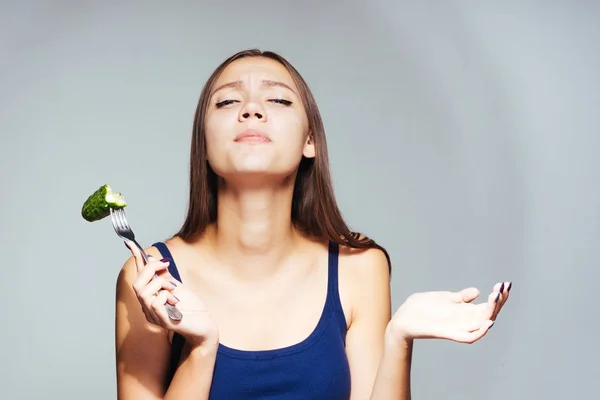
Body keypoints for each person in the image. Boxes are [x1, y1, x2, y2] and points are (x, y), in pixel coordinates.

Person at [115, 49, 511, 399]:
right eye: (228, 101)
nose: (251, 110)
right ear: (203, 143)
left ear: (310, 142)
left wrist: (399, 339)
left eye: (277, 99)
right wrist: (201, 349)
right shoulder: (150, 276)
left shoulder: (360, 266)